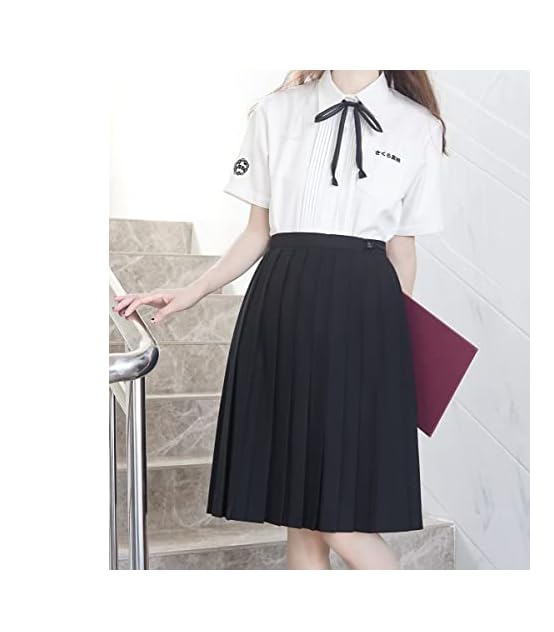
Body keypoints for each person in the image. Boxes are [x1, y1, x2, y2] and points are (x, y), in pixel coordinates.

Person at [113, 70, 446, 570]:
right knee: (302, 516)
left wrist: (394, 355)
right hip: (284, 307)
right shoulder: (276, 111)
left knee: (341, 518)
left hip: (367, 317)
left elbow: (404, 250)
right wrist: (193, 291)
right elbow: (257, 233)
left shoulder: (418, 126)